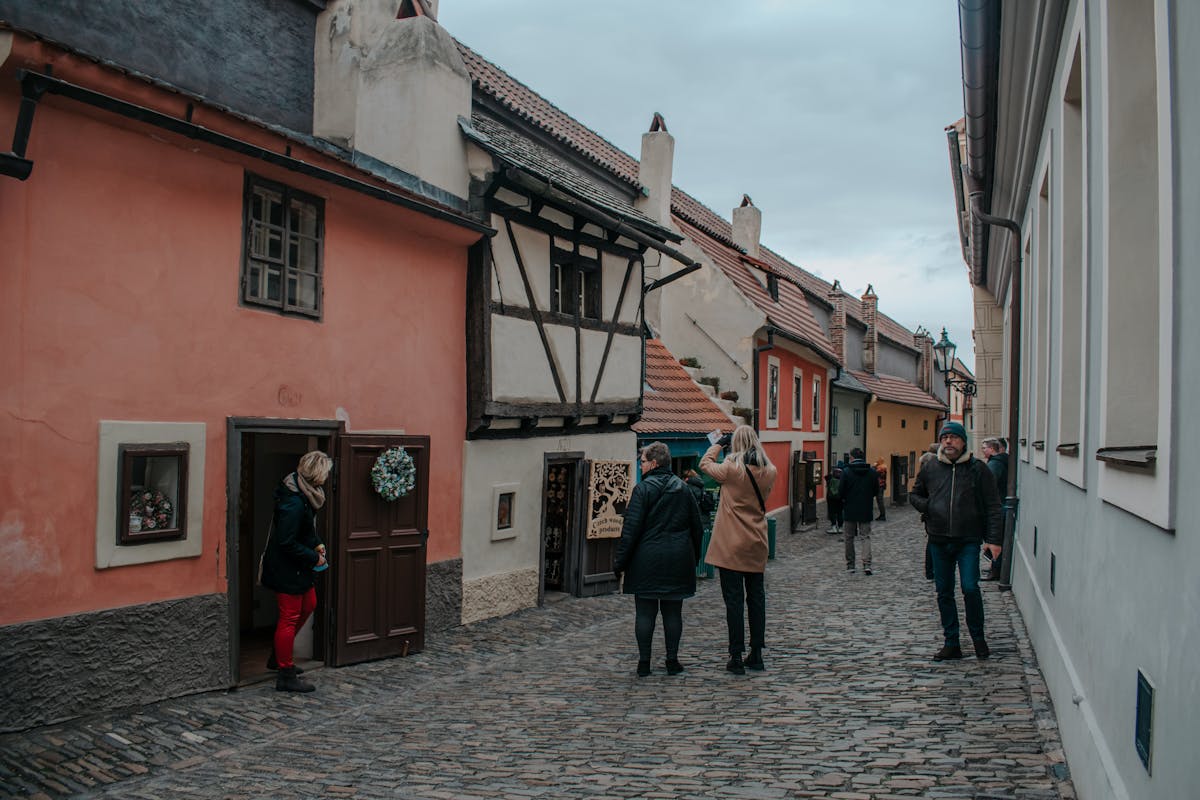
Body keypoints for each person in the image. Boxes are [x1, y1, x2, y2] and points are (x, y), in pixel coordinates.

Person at [910, 422, 1003, 661]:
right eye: (945, 437)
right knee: (944, 592)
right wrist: (928, 506)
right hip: (939, 540)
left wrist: (993, 539)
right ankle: (951, 642)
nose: (949, 441)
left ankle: (978, 638)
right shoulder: (931, 468)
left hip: (968, 539)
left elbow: (993, 506)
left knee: (970, 587)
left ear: (963, 441)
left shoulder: (978, 470)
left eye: (953, 437)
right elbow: (915, 494)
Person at [614, 442, 704, 677]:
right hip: (677, 558)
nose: (640, 465)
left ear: (653, 463)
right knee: (673, 613)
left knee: (645, 613)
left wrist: (620, 563)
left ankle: (644, 662)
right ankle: (672, 660)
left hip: (646, 559)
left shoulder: (642, 490)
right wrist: (694, 557)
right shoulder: (683, 489)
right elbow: (696, 527)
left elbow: (630, 530)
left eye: (642, 461)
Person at [700, 425, 778, 674]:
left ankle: (735, 655)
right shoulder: (770, 471)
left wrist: (720, 443)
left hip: (731, 544)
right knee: (756, 599)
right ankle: (756, 653)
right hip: (756, 541)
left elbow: (705, 463)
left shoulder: (731, 470)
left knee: (733, 601)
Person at [260, 450, 332, 693]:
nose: (327, 477)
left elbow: (306, 529)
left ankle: (278, 655)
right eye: (326, 472)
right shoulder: (293, 501)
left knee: (309, 604)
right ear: (318, 474)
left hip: (298, 567)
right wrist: (314, 556)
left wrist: (317, 542)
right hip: (287, 567)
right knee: (289, 617)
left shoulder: (304, 493)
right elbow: (286, 542)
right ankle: (285, 673)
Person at [839, 448, 878, 575]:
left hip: (850, 508)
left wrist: (845, 499)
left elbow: (841, 492)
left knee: (849, 538)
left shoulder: (846, 472)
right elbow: (876, 491)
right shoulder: (872, 472)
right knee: (865, 537)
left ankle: (851, 565)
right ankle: (867, 564)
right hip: (865, 508)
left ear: (851, 458)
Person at [980, 437, 1010, 581]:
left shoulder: (995, 464)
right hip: (1002, 505)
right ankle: (995, 567)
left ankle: (996, 569)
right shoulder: (1001, 461)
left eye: (984, 448)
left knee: (995, 538)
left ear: (992, 449)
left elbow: (987, 486)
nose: (983, 451)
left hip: (998, 507)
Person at [825, 461, 845, 534]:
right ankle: (840, 527)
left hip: (831, 499)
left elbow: (826, 477)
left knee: (832, 512)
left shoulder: (831, 477)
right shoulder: (843, 478)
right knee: (840, 512)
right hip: (840, 498)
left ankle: (833, 527)